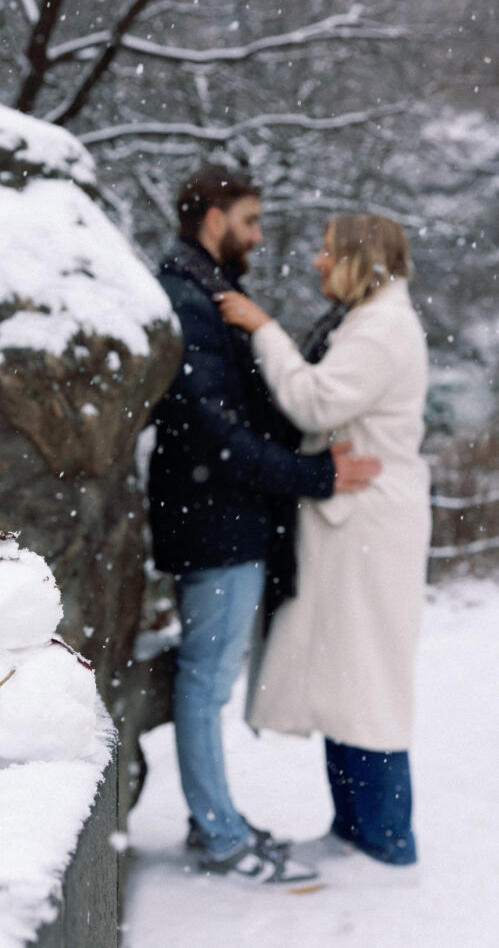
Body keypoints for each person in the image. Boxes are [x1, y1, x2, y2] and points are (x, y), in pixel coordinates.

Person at [148, 165, 381, 884]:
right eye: (248, 221)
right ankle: (218, 837)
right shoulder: (190, 298)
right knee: (205, 684)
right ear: (212, 217)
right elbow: (212, 432)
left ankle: (215, 822)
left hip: (221, 515)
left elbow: (241, 414)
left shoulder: (207, 292)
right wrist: (313, 476)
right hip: (213, 520)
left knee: (206, 681)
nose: (256, 235)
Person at [216, 213, 430, 867]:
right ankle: (357, 833)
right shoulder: (370, 320)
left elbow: (312, 403)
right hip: (353, 523)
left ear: (360, 260)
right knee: (349, 679)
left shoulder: (382, 328)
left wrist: (263, 329)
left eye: (327, 250)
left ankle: (383, 841)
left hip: (366, 525)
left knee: (365, 684)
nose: (315, 261)